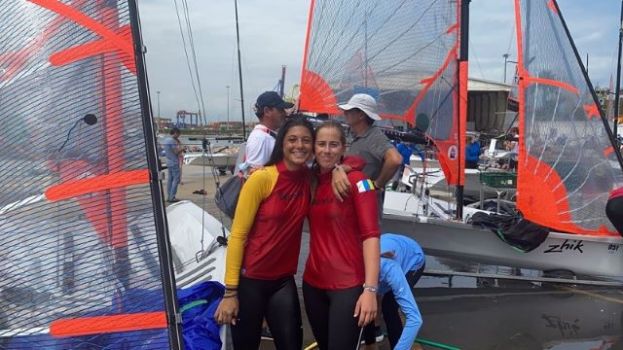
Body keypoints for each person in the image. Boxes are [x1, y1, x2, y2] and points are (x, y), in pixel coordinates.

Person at [214, 117, 314, 349]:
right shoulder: (262, 178)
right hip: (251, 281)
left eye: (306, 140)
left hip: (283, 281)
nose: (299, 145)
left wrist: (341, 168)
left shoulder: (309, 179)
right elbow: (238, 235)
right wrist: (230, 293)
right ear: (282, 143)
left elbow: (336, 165)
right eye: (292, 139)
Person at [303, 120, 380, 350]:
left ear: (344, 148)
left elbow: (371, 236)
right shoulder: (310, 181)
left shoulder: (359, 182)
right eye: (322, 144)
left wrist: (370, 290)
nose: (327, 150)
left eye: (334, 144)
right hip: (312, 284)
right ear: (314, 148)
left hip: (348, 286)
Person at [336, 93, 402, 204]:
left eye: (349, 110)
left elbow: (395, 160)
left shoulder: (375, 136)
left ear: (361, 115)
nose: (345, 113)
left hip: (366, 204)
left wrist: (376, 185)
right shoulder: (352, 133)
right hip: (353, 202)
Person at [363, 234, 424, 350]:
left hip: (413, 259)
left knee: (389, 306)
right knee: (367, 301)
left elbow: (415, 319)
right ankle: (371, 341)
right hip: (389, 247)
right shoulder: (353, 269)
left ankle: (396, 344)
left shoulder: (390, 268)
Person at [244, 91, 293, 170]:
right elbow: (254, 175)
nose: (284, 113)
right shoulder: (260, 138)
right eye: (280, 109)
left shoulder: (266, 136)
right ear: (267, 111)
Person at [162, 127, 183, 203]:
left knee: (170, 180)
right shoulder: (172, 141)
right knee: (176, 180)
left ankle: (169, 196)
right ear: (175, 133)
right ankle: (172, 197)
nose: (179, 136)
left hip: (168, 162)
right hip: (174, 162)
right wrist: (183, 149)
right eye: (178, 134)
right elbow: (176, 152)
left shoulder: (166, 140)